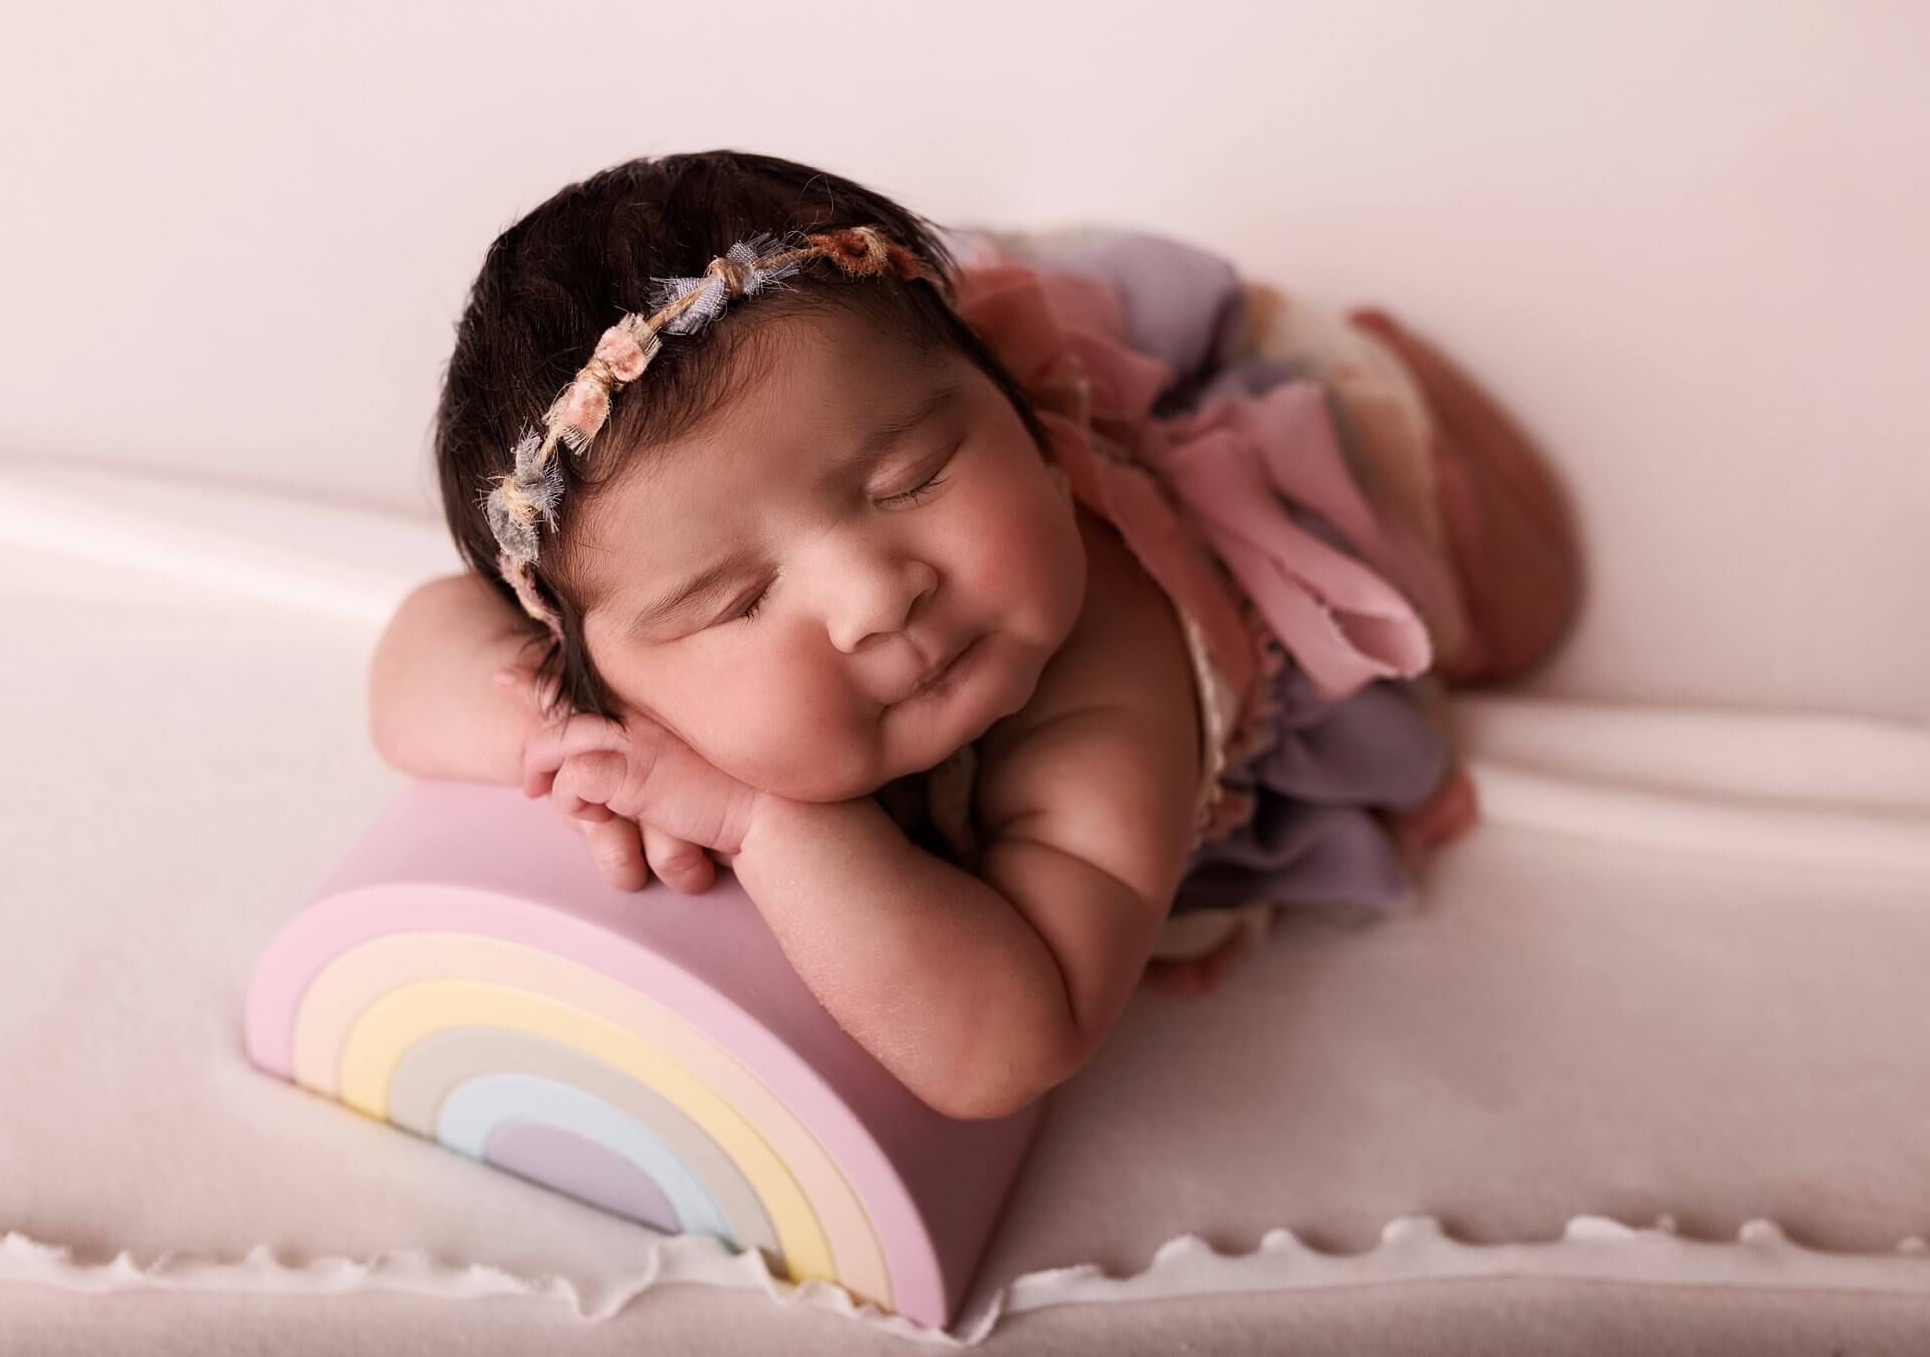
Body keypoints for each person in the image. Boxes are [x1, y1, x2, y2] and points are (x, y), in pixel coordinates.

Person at [367, 150, 1582, 1121]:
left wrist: (760, 818)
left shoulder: (1103, 677)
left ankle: (1397, 375)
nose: (875, 596)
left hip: (1264, 531)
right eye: (735, 603)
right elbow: (410, 669)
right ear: (594, 644)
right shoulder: (618, 600)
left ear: (1025, 427)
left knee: (1511, 608)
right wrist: (572, 736)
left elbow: (1012, 1038)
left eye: (911, 478)